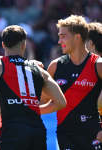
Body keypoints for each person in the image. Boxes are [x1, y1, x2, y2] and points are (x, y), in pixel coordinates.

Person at [0, 25, 67, 150]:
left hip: (12, 133)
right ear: (24, 45)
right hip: (38, 132)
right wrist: (32, 107)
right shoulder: (39, 69)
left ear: (3, 45)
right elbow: (61, 102)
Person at [43, 15, 102, 150]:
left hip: (94, 136)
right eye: (59, 36)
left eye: (63, 36)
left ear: (77, 37)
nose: (59, 41)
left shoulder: (98, 65)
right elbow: (42, 100)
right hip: (66, 136)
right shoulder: (55, 66)